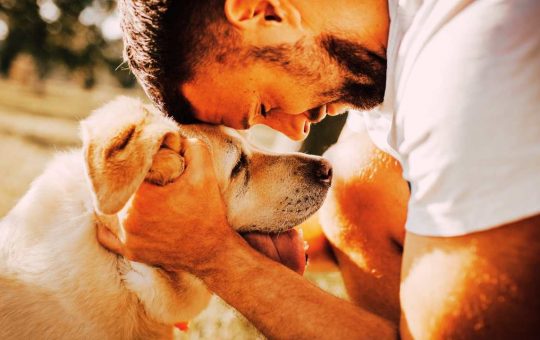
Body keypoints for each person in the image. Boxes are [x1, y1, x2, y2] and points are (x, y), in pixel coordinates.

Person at [98, 0, 540, 338]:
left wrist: (213, 256)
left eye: (264, 105)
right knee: (358, 178)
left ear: (263, 11)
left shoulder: (469, 60)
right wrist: (176, 237)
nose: (294, 133)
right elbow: (343, 232)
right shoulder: (392, 56)